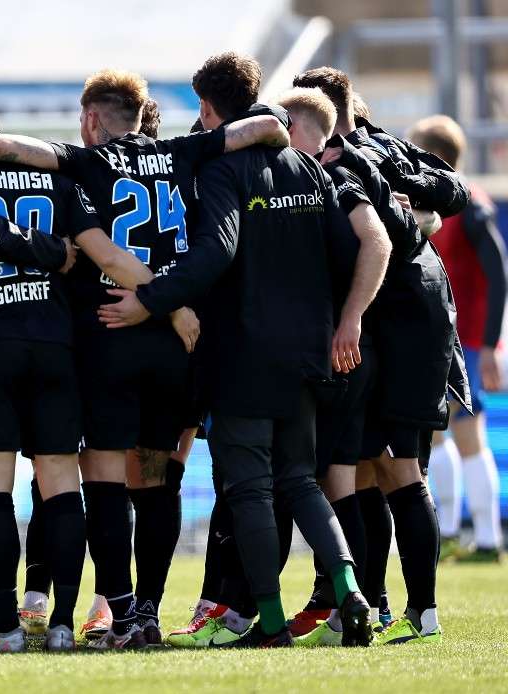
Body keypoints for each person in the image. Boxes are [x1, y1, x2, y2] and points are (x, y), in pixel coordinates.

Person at [0, 63, 286, 648]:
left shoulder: (86, 162)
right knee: (157, 479)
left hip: (110, 334)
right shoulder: (184, 152)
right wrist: (174, 307)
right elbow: (265, 130)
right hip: (176, 346)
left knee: (103, 477)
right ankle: (149, 611)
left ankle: (122, 611)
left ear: (91, 119)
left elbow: (3, 145)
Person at [98, 58, 375, 649]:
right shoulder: (307, 166)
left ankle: (270, 624)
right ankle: (350, 589)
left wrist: (150, 298)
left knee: (249, 490)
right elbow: (345, 252)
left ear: (206, 107)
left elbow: (214, 254)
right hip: (307, 353)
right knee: (300, 480)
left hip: (245, 354)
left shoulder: (225, 169)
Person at [0, 107, 150, 654]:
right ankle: (60, 623)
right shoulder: (56, 179)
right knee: (61, 485)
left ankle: (7, 625)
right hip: (55, 346)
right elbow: (95, 253)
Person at [294, 66, 471, 645]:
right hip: (380, 335)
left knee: (399, 470)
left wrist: (413, 209)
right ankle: (373, 605)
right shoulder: (347, 155)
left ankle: (424, 611)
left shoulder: (369, 154)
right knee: (363, 468)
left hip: (407, 334)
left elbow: (447, 198)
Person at [275, 87, 398, 647]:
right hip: (343, 351)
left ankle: (351, 603)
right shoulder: (315, 179)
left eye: (281, 126)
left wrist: (349, 321)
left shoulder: (330, 180)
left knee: (317, 481)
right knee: (340, 481)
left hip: (339, 353)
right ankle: (358, 603)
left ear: (301, 130)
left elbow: (378, 243)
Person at [410, 115, 506, 562]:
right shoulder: (442, 203)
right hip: (448, 341)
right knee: (444, 438)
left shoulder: (469, 204)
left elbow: (498, 272)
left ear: (433, 156)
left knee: (461, 438)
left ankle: (475, 536)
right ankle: (461, 533)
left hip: (463, 343)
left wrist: (488, 345)